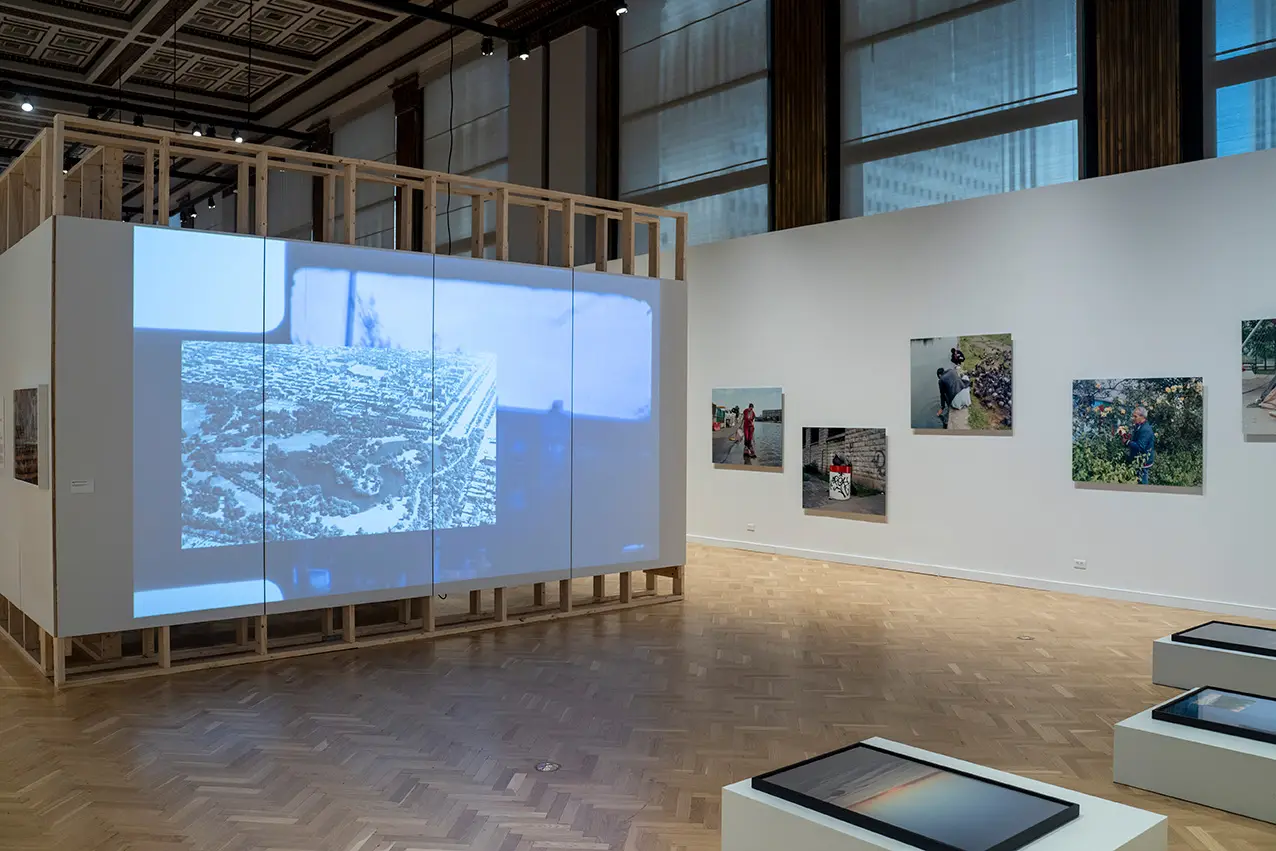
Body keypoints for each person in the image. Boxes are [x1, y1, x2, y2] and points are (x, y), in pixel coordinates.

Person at [1121, 406, 1155, 485]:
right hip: (1138, 459)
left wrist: (1127, 442)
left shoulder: (1146, 429)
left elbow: (1140, 446)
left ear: (1142, 417)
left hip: (1143, 461)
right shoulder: (1140, 426)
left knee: (1142, 481)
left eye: (1135, 416)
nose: (1133, 418)